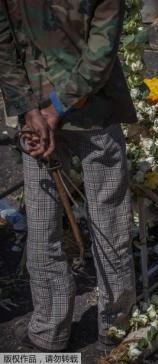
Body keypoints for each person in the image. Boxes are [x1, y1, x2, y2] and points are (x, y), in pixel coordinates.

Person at [0, 0, 137, 353]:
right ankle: (115, 325)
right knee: (109, 220)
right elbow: (100, 54)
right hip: (93, 111)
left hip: (38, 116)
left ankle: (49, 330)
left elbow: (4, 46)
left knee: (44, 225)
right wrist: (51, 110)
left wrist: (33, 111)